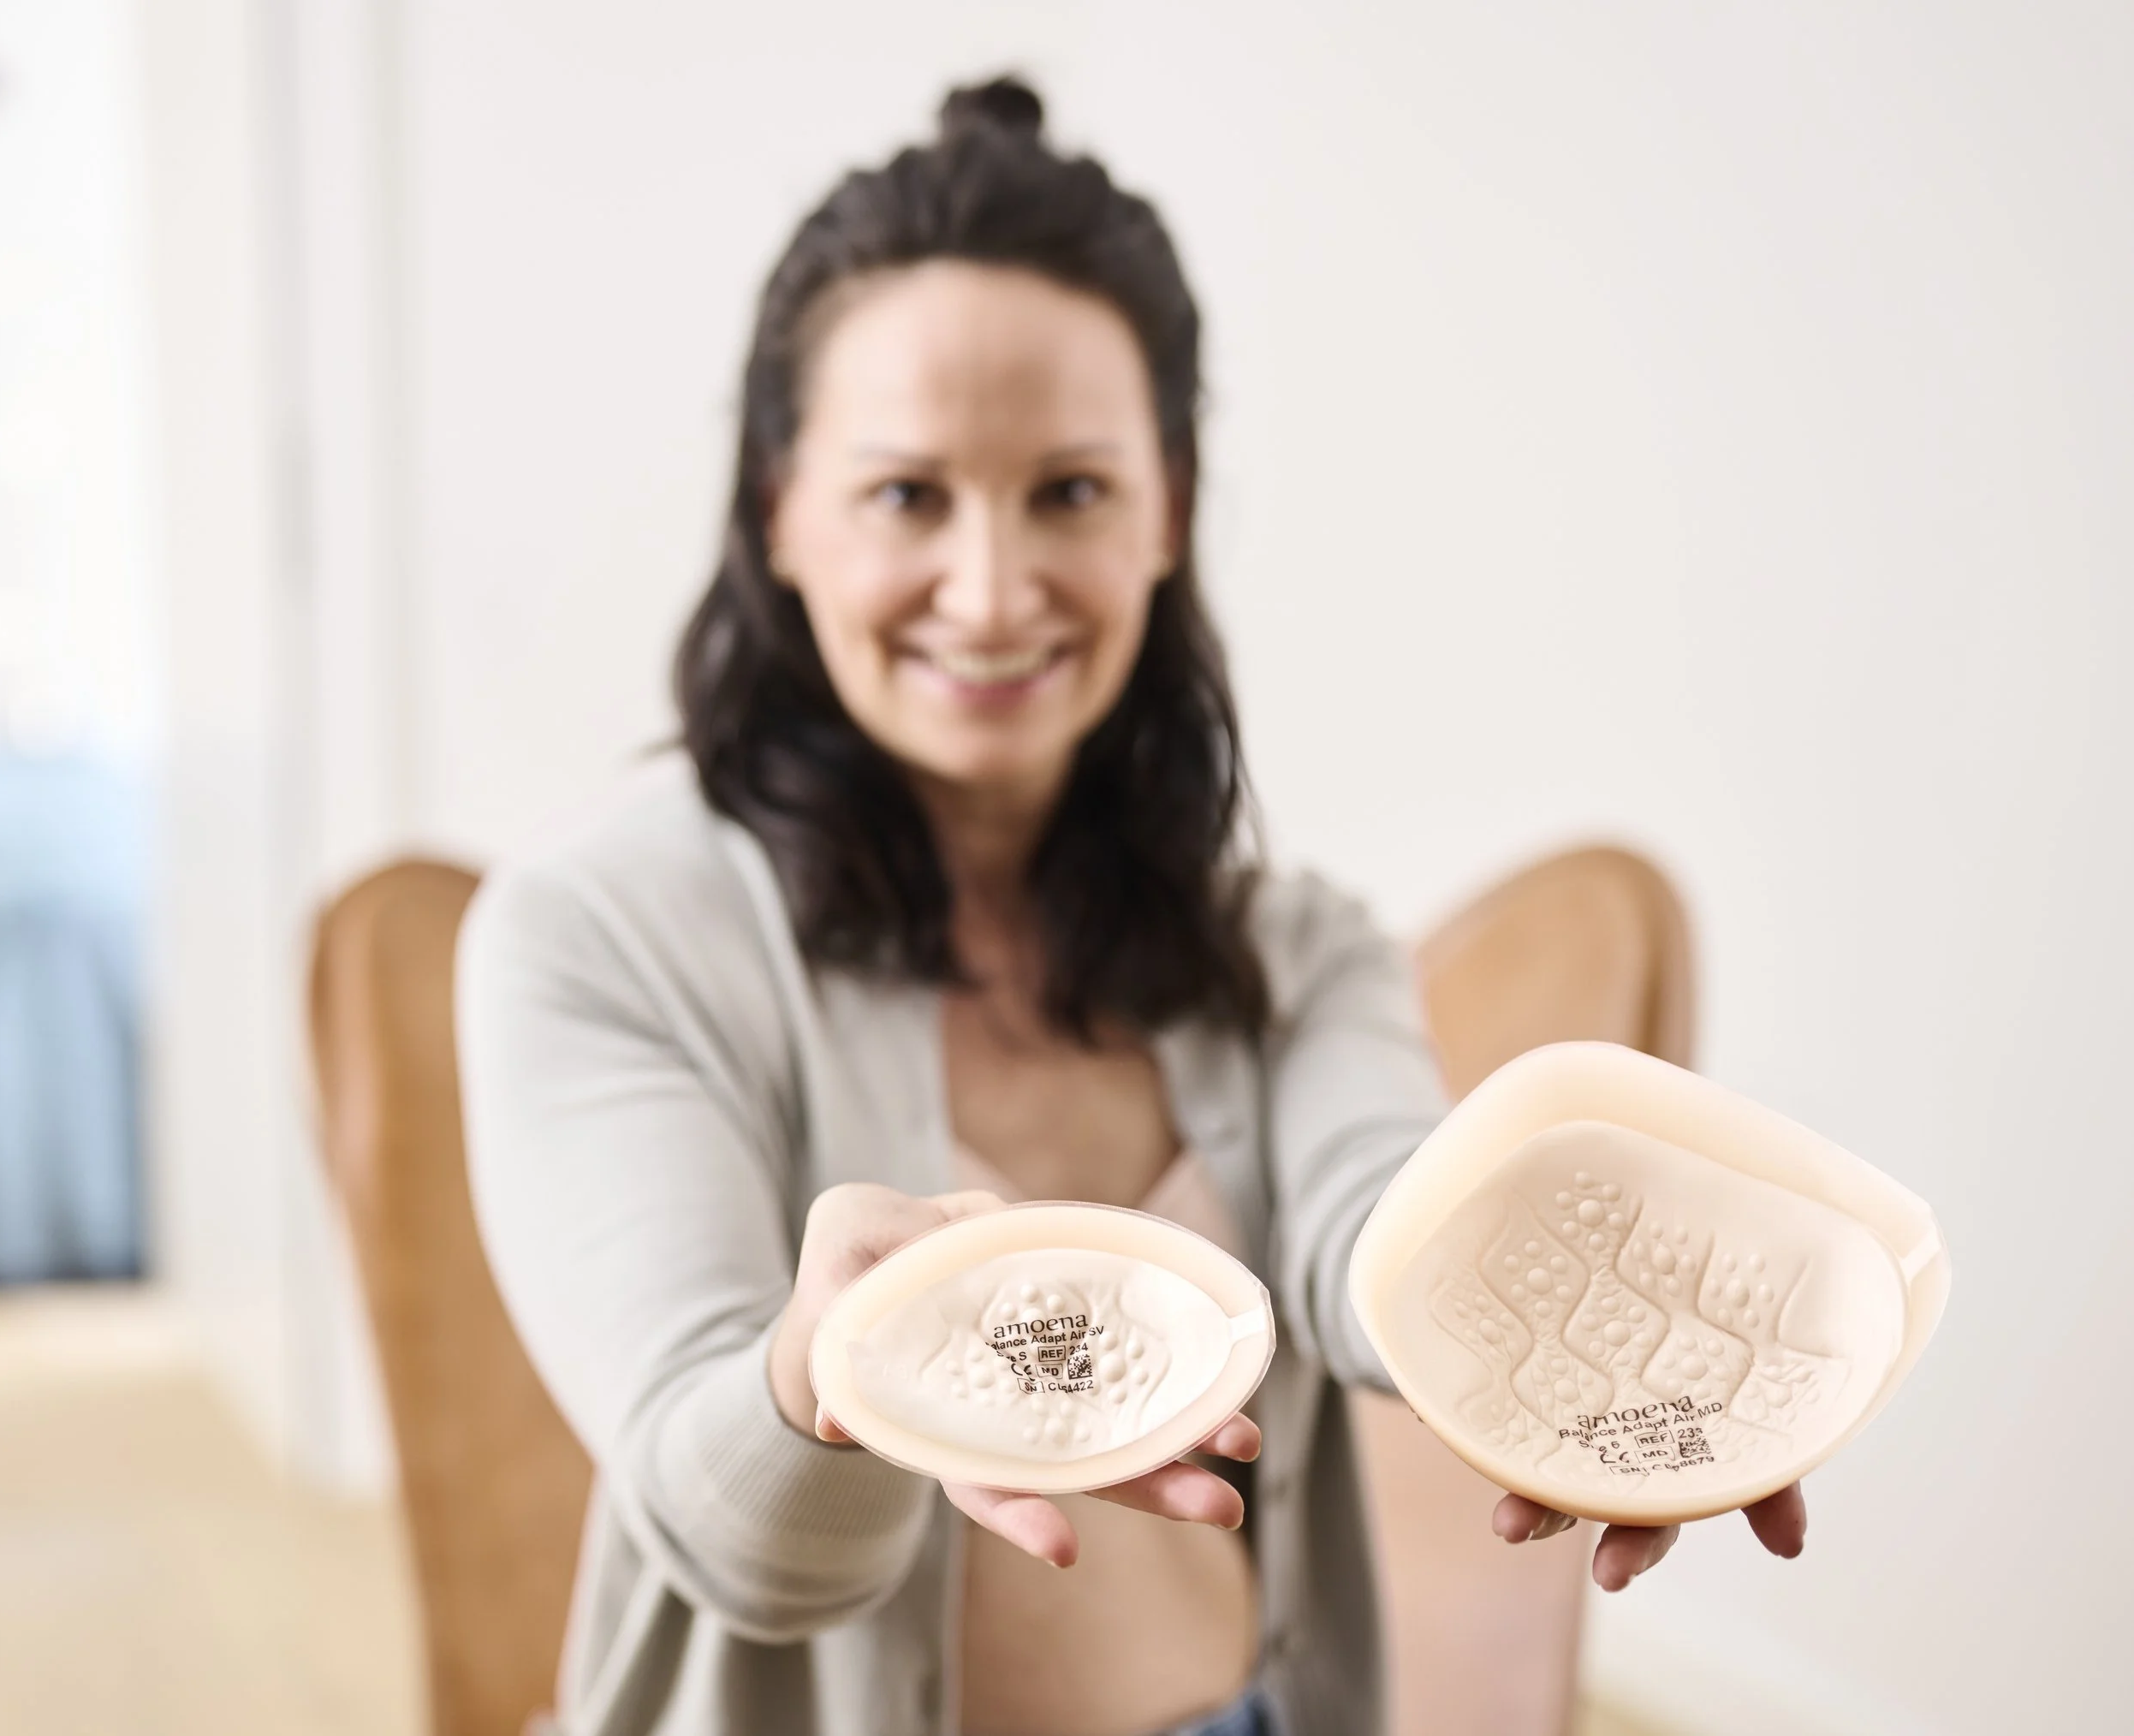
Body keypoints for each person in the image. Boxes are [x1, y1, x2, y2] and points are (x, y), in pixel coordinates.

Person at [455, 75, 1807, 1736]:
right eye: (905, 494)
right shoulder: (591, 937)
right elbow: (725, 1524)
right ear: (775, 510)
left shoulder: (1292, 951)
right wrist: (819, 1382)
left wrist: (1566, 1343)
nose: (992, 586)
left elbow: (1374, 1224)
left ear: (1167, 505)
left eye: (1069, 491)